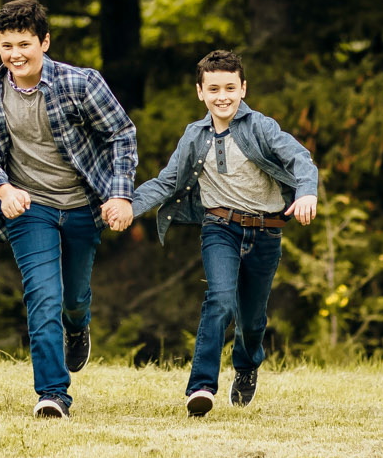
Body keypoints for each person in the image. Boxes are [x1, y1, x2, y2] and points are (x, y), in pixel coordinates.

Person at [0, 0, 137, 418]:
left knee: (74, 296)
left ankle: (78, 325)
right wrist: (4, 189)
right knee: (43, 295)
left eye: (24, 43)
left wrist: (118, 194)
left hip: (83, 205)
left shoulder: (81, 84)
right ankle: (53, 394)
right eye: (6, 45)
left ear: (44, 41)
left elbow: (122, 134)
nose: (15, 54)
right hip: (30, 208)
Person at [132, 49, 318, 415]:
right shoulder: (194, 135)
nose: (222, 96)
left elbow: (300, 158)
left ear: (243, 88)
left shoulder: (261, 127)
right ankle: (201, 387)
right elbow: (168, 181)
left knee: (252, 319)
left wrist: (307, 191)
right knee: (219, 299)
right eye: (213, 88)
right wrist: (129, 204)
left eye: (230, 88)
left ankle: (246, 367)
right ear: (200, 92)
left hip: (265, 232)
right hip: (219, 228)